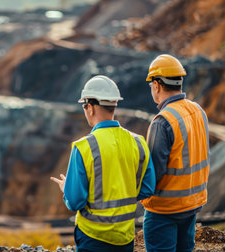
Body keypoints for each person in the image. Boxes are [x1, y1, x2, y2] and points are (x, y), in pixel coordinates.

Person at [50, 75, 156, 252]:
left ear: (90, 107)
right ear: (114, 104)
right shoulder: (139, 143)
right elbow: (147, 189)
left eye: (84, 106)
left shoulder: (84, 147)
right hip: (125, 236)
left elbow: (75, 202)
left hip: (93, 237)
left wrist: (66, 189)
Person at [141, 54, 210, 252]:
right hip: (191, 204)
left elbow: (153, 173)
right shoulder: (198, 111)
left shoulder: (162, 122)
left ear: (157, 84)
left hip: (164, 209)